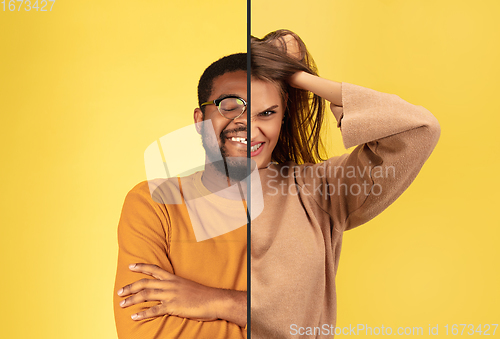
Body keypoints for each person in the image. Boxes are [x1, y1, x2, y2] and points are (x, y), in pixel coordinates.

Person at [114, 28, 441, 339]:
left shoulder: (319, 191)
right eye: (230, 108)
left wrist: (295, 77)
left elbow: (417, 130)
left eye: (267, 113)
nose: (250, 128)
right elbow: (146, 330)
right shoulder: (155, 202)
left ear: (283, 117)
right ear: (200, 121)